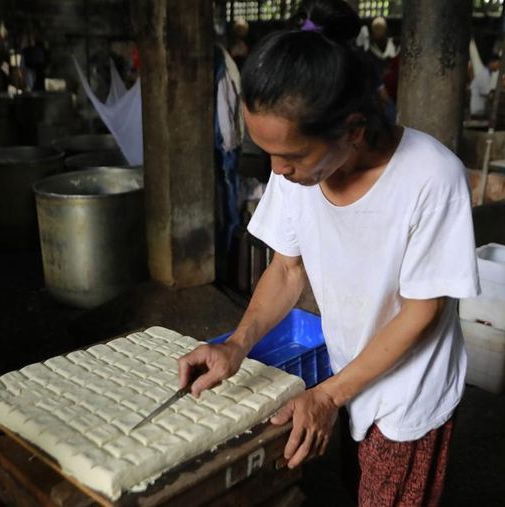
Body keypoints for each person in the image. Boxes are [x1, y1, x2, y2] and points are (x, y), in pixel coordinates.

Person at [177, 1, 479, 505]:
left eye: (291, 156)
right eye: (268, 152)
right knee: (353, 485)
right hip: (350, 369)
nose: (276, 170)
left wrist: (327, 395)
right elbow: (287, 269)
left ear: (354, 131)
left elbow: (424, 310)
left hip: (407, 389)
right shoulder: (297, 172)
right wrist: (237, 344)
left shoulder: (431, 178)